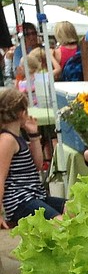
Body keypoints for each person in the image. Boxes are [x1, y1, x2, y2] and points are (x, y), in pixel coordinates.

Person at [0, 87, 64, 229]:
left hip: (35, 196)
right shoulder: (7, 140)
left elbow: (37, 166)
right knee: (60, 223)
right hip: (20, 201)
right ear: (22, 113)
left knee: (73, 210)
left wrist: (34, 136)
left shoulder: (18, 137)